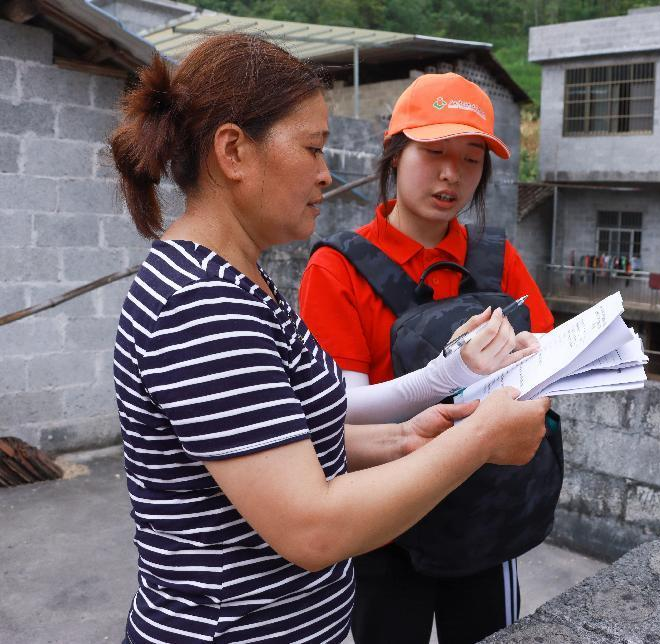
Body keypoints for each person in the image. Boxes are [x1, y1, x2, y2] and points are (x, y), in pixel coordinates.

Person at [109, 35, 550, 644]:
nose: (326, 172)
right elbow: (311, 527)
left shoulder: (240, 280)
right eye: (313, 148)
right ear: (234, 151)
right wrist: (479, 438)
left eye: (470, 158)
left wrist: (403, 437)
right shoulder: (202, 304)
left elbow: (285, 433)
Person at [298, 73, 555, 644]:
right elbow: (345, 414)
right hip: (386, 523)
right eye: (434, 152)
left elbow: (549, 363)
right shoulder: (337, 269)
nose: (451, 175)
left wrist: (540, 373)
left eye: (470, 160)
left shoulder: (497, 258)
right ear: (395, 155)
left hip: (483, 518)